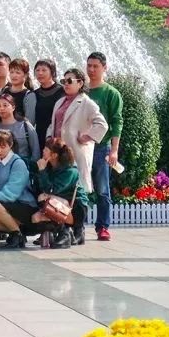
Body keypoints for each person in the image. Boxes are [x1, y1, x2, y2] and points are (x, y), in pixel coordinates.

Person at [46, 67, 108, 240]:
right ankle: (62, 227)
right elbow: (54, 123)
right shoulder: (60, 102)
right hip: (58, 153)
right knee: (61, 189)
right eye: (63, 81)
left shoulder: (86, 102)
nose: (65, 84)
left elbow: (102, 125)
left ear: (80, 83)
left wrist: (87, 137)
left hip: (76, 152)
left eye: (70, 81)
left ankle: (78, 228)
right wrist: (49, 139)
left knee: (77, 191)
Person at [86, 52, 123, 242]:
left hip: (101, 147)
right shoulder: (81, 91)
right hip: (81, 146)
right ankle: (74, 225)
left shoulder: (111, 93)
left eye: (96, 66)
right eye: (89, 66)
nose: (91, 70)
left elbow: (117, 122)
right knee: (79, 186)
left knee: (102, 188)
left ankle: (103, 226)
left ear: (104, 68)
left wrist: (114, 150)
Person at [31, 137, 89, 247]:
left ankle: (65, 233)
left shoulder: (70, 171)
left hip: (77, 209)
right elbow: (40, 188)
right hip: (58, 204)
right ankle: (54, 233)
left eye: (46, 149)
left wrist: (42, 172)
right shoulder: (48, 166)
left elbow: (51, 190)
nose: (43, 151)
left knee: (44, 199)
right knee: (36, 216)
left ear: (54, 155)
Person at [0, 91, 40, 161]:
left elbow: (35, 150)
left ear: (13, 107)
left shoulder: (25, 125)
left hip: (24, 166)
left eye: (5, 105)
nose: (2, 108)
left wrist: (33, 166)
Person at [33, 59, 64, 153]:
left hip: (57, 136)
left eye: (44, 70)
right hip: (39, 136)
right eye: (37, 70)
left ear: (52, 72)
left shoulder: (62, 91)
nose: (40, 73)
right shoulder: (35, 94)